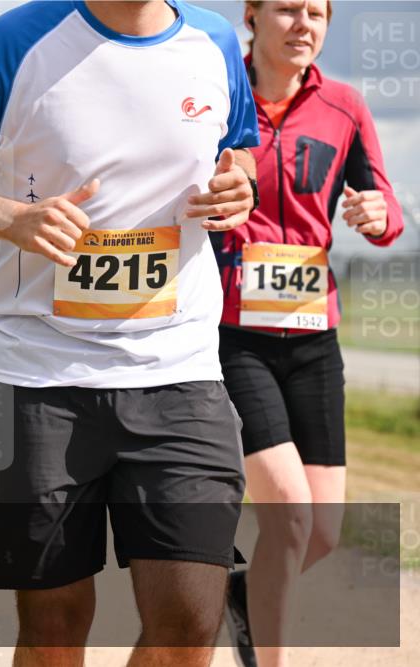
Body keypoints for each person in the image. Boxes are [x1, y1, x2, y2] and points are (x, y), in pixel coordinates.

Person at [0, 1, 260, 664]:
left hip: (180, 373)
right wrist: (11, 218)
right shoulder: (15, 42)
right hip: (38, 380)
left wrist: (242, 190)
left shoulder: (215, 41)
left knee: (191, 619)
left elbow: (239, 152)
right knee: (54, 627)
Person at [212, 2, 405, 666]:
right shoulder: (217, 97)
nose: (304, 25)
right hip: (237, 336)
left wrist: (377, 213)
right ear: (253, 15)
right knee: (288, 514)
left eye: (317, 12)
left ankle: (240, 598)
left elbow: (385, 213)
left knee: (320, 532)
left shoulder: (345, 105)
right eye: (288, 9)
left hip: (315, 339)